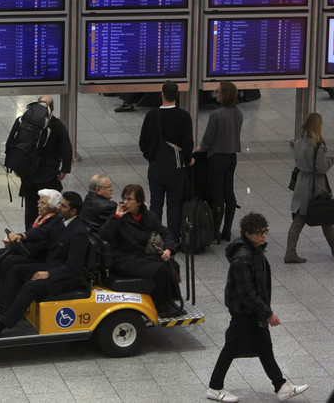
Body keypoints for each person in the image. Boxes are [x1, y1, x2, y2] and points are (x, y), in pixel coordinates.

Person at [207, 212, 309, 403]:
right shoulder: (242, 258)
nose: (264, 236)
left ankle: (280, 386)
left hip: (252, 311)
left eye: (265, 231)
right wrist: (267, 313)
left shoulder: (255, 250)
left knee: (264, 347)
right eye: (259, 233)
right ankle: (214, 387)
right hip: (244, 312)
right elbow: (247, 292)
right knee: (231, 348)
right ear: (248, 234)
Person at [0, 191, 90, 337]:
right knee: (16, 270)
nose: (58, 207)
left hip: (66, 277)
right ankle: (2, 310)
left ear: (73, 211)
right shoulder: (61, 221)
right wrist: (22, 236)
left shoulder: (79, 233)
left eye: (63, 205)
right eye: (60, 203)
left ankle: (1, 325)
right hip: (52, 266)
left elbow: (74, 267)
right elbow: (42, 231)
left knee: (31, 286)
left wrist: (48, 274)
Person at [100, 184, 184, 318]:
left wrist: (168, 249)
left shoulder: (148, 216)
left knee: (173, 264)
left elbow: (165, 232)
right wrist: (116, 217)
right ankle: (161, 306)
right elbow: (104, 235)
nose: (125, 203)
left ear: (139, 202)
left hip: (141, 256)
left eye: (129, 199)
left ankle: (169, 300)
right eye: (124, 199)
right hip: (124, 259)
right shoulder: (119, 217)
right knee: (161, 269)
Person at [286, 113, 334, 263]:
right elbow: (321, 168)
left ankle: (292, 251)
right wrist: (332, 160)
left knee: (299, 217)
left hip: (302, 182)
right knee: (323, 211)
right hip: (316, 185)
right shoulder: (319, 145)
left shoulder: (299, 142)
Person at [0, 188, 63, 306]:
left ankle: (4, 301)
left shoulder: (53, 223)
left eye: (43, 203)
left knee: (10, 261)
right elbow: (32, 236)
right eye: (39, 202)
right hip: (33, 251)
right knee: (1, 253)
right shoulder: (41, 218)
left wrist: (18, 246)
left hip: (41, 256)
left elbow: (40, 247)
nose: (39, 206)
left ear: (52, 207)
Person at [139, 80, 194, 244]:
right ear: (177, 95)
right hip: (176, 168)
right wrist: (187, 159)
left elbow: (143, 142)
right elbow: (188, 143)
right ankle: (173, 239)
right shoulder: (183, 116)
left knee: (156, 203)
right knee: (174, 205)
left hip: (156, 166)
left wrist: (152, 157)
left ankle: (155, 237)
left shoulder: (151, 115)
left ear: (162, 94)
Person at [195, 81, 243, 242]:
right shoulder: (238, 113)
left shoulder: (215, 115)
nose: (216, 94)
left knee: (217, 195)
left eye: (218, 92)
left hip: (216, 158)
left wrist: (199, 148)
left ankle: (214, 230)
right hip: (231, 157)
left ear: (225, 95)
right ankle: (227, 230)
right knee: (229, 193)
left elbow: (207, 140)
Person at [18, 95, 73, 229]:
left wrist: (17, 167)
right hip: (49, 176)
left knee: (30, 210)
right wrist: (65, 170)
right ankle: (48, 234)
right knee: (51, 209)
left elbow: (17, 145)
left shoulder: (25, 122)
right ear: (52, 108)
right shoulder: (56, 125)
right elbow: (67, 147)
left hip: (29, 175)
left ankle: (29, 237)